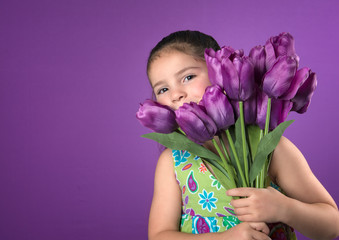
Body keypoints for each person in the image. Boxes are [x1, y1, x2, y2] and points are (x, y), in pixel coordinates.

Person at [146, 30, 339, 240]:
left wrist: (285, 208)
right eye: (162, 89)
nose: (176, 95)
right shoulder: (173, 162)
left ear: (221, 72)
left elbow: (332, 225)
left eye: (188, 77)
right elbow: (159, 235)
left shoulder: (269, 149)